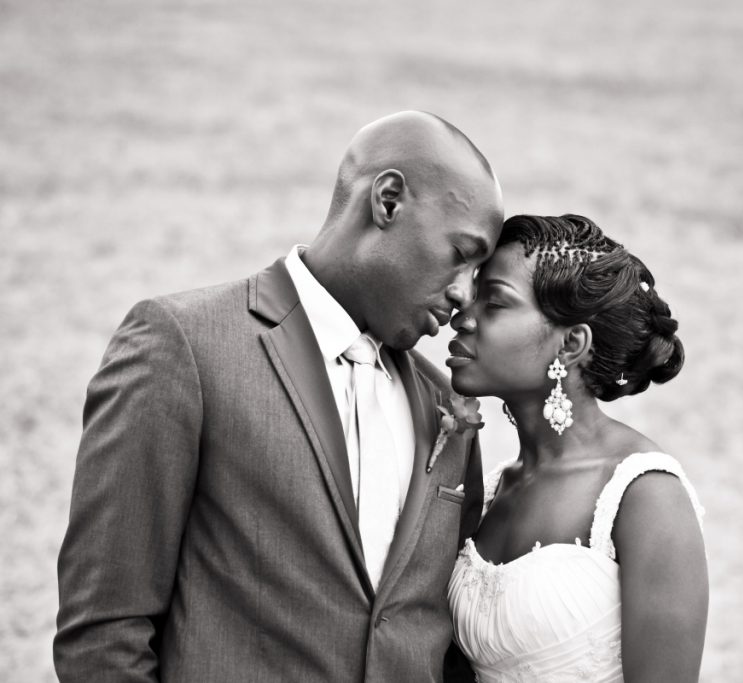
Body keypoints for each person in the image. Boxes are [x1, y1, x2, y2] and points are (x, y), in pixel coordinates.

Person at [55, 111, 503, 681]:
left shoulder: (445, 404)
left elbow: (443, 638)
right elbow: (104, 632)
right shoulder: (185, 346)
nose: (465, 295)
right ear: (388, 201)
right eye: (461, 254)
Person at [446, 214, 708, 681]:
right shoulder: (490, 489)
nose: (461, 317)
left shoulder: (644, 495)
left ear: (570, 343)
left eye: (495, 302)